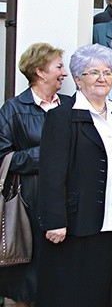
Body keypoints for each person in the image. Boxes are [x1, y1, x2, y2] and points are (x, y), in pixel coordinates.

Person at [37, 44, 112, 307]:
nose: (102, 78)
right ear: (78, 79)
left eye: (108, 72)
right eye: (93, 72)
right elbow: (51, 171)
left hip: (110, 219)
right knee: (67, 291)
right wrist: (55, 220)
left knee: (97, 290)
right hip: (73, 222)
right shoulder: (62, 116)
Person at [0, 43, 69, 307]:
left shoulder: (71, 107)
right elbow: (4, 157)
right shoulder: (14, 109)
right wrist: (50, 154)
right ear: (40, 72)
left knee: (57, 283)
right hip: (27, 207)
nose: (64, 73)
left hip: (64, 206)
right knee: (24, 286)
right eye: (59, 67)